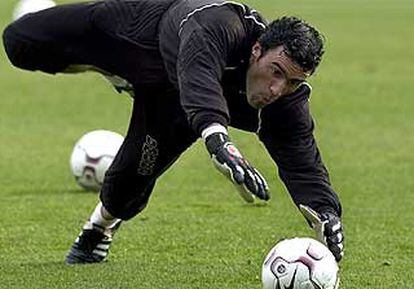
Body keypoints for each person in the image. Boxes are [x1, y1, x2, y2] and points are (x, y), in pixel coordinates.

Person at [2, 0, 344, 264]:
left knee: (129, 182)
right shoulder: (220, 24)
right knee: (19, 41)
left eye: (293, 81)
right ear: (257, 50)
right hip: (134, 37)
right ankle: (106, 68)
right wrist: (216, 135)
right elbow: (198, 69)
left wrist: (325, 211)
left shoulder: (285, 102)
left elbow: (302, 158)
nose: (276, 89)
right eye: (276, 71)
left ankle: (99, 228)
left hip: (174, 104)